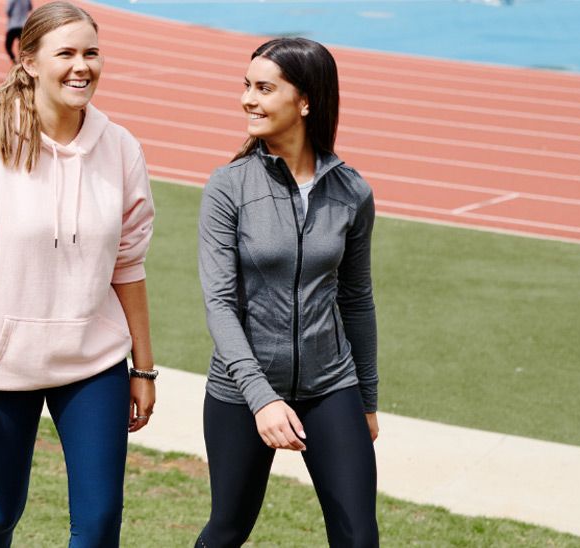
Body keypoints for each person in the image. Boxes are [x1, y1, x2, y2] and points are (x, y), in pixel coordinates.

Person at [0, 3, 157, 546]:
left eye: (92, 53)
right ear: (28, 62)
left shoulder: (120, 148)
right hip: (1, 364)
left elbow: (129, 262)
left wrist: (142, 368)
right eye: (67, 54)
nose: (82, 66)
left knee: (99, 523)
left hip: (93, 359)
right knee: (1, 512)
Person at [194, 37, 380, 548]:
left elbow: (357, 299)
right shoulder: (228, 187)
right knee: (227, 531)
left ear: (305, 101)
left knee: (359, 538)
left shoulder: (351, 191)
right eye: (246, 87)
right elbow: (220, 304)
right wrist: (262, 401)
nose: (247, 100)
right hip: (242, 392)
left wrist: (366, 398)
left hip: (331, 385)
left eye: (264, 88)